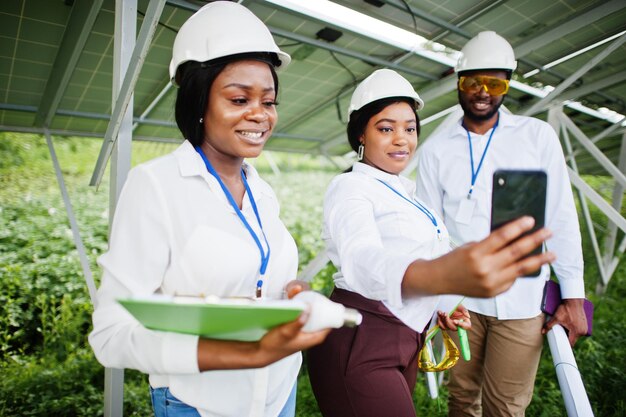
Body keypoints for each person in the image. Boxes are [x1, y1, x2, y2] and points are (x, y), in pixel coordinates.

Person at [88, 3, 329, 417]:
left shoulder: (262, 191)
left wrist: (289, 296)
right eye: (239, 98)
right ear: (199, 101)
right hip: (199, 404)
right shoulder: (156, 186)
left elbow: (255, 282)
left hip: (277, 396)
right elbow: (111, 335)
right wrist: (245, 355)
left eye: (269, 102)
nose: (260, 114)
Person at [306, 69, 555, 417]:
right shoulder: (351, 187)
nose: (401, 139)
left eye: (409, 128)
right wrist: (437, 278)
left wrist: (442, 306)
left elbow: (413, 254)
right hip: (362, 338)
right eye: (386, 128)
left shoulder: (407, 194)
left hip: (405, 339)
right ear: (360, 132)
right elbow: (361, 258)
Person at [416, 31, 587, 416]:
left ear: (508, 83)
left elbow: (560, 215)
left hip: (521, 300)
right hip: (460, 302)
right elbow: (429, 231)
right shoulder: (436, 150)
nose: (482, 91)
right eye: (472, 82)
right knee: (462, 400)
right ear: (457, 81)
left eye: (495, 82)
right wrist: (435, 302)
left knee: (506, 407)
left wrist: (574, 297)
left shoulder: (536, 137)